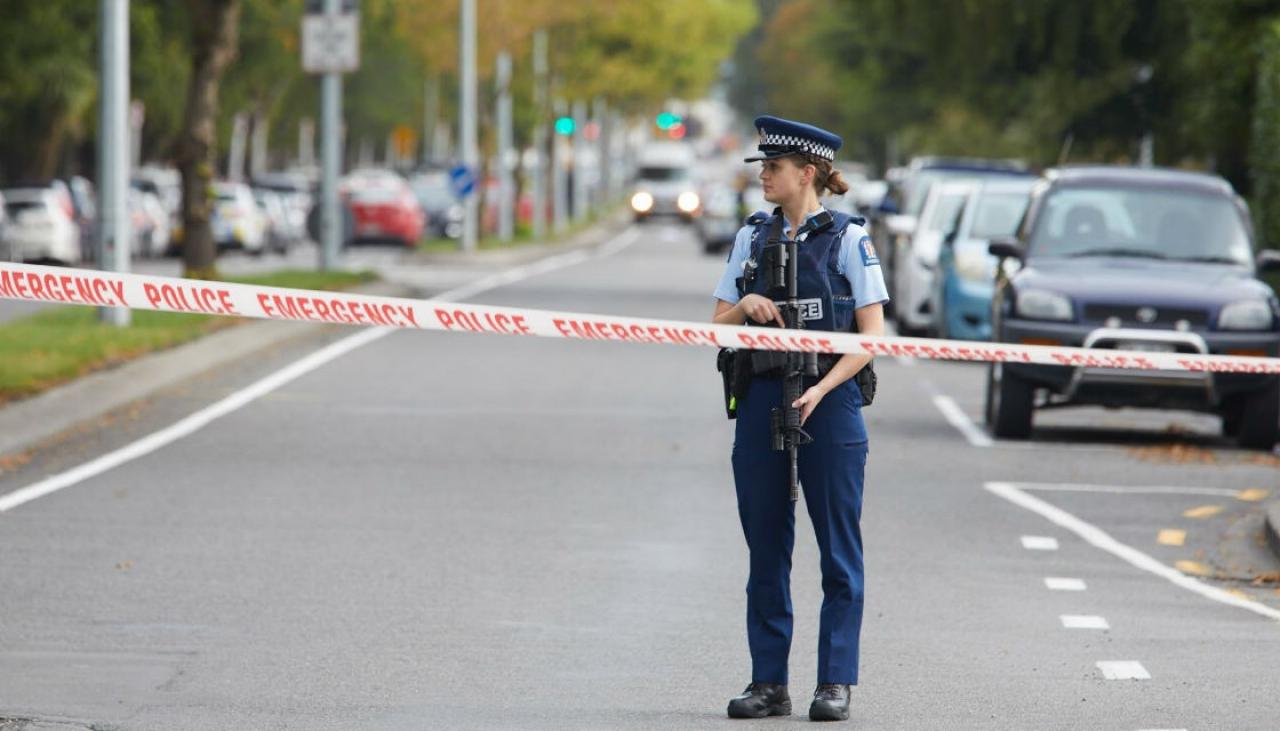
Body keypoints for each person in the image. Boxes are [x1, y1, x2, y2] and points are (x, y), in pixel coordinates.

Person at [712, 116, 888, 722]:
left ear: (805, 174)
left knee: (838, 545)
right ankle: (769, 682)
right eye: (763, 166)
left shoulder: (847, 239)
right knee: (766, 543)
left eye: (773, 167)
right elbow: (713, 326)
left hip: (830, 400)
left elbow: (870, 337)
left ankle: (834, 681)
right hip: (761, 395)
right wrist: (745, 304)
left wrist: (821, 389)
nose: (763, 175)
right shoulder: (750, 238)